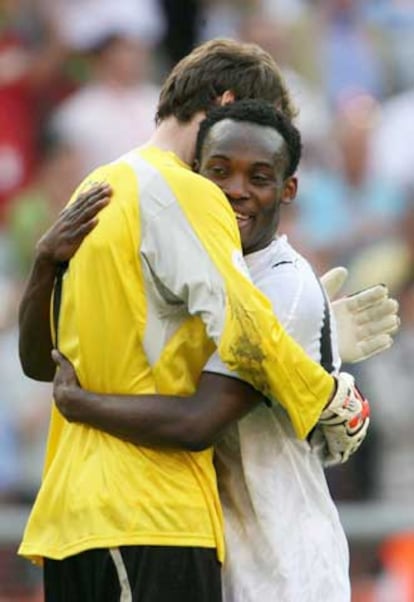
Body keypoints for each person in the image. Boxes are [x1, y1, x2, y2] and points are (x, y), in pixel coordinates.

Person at [18, 40, 375, 601]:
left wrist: (42, 266)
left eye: (261, 173)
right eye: (228, 161)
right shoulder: (186, 194)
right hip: (150, 512)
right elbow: (246, 340)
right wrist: (327, 394)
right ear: (227, 105)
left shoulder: (97, 186)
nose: (232, 188)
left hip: (79, 515)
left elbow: (43, 361)